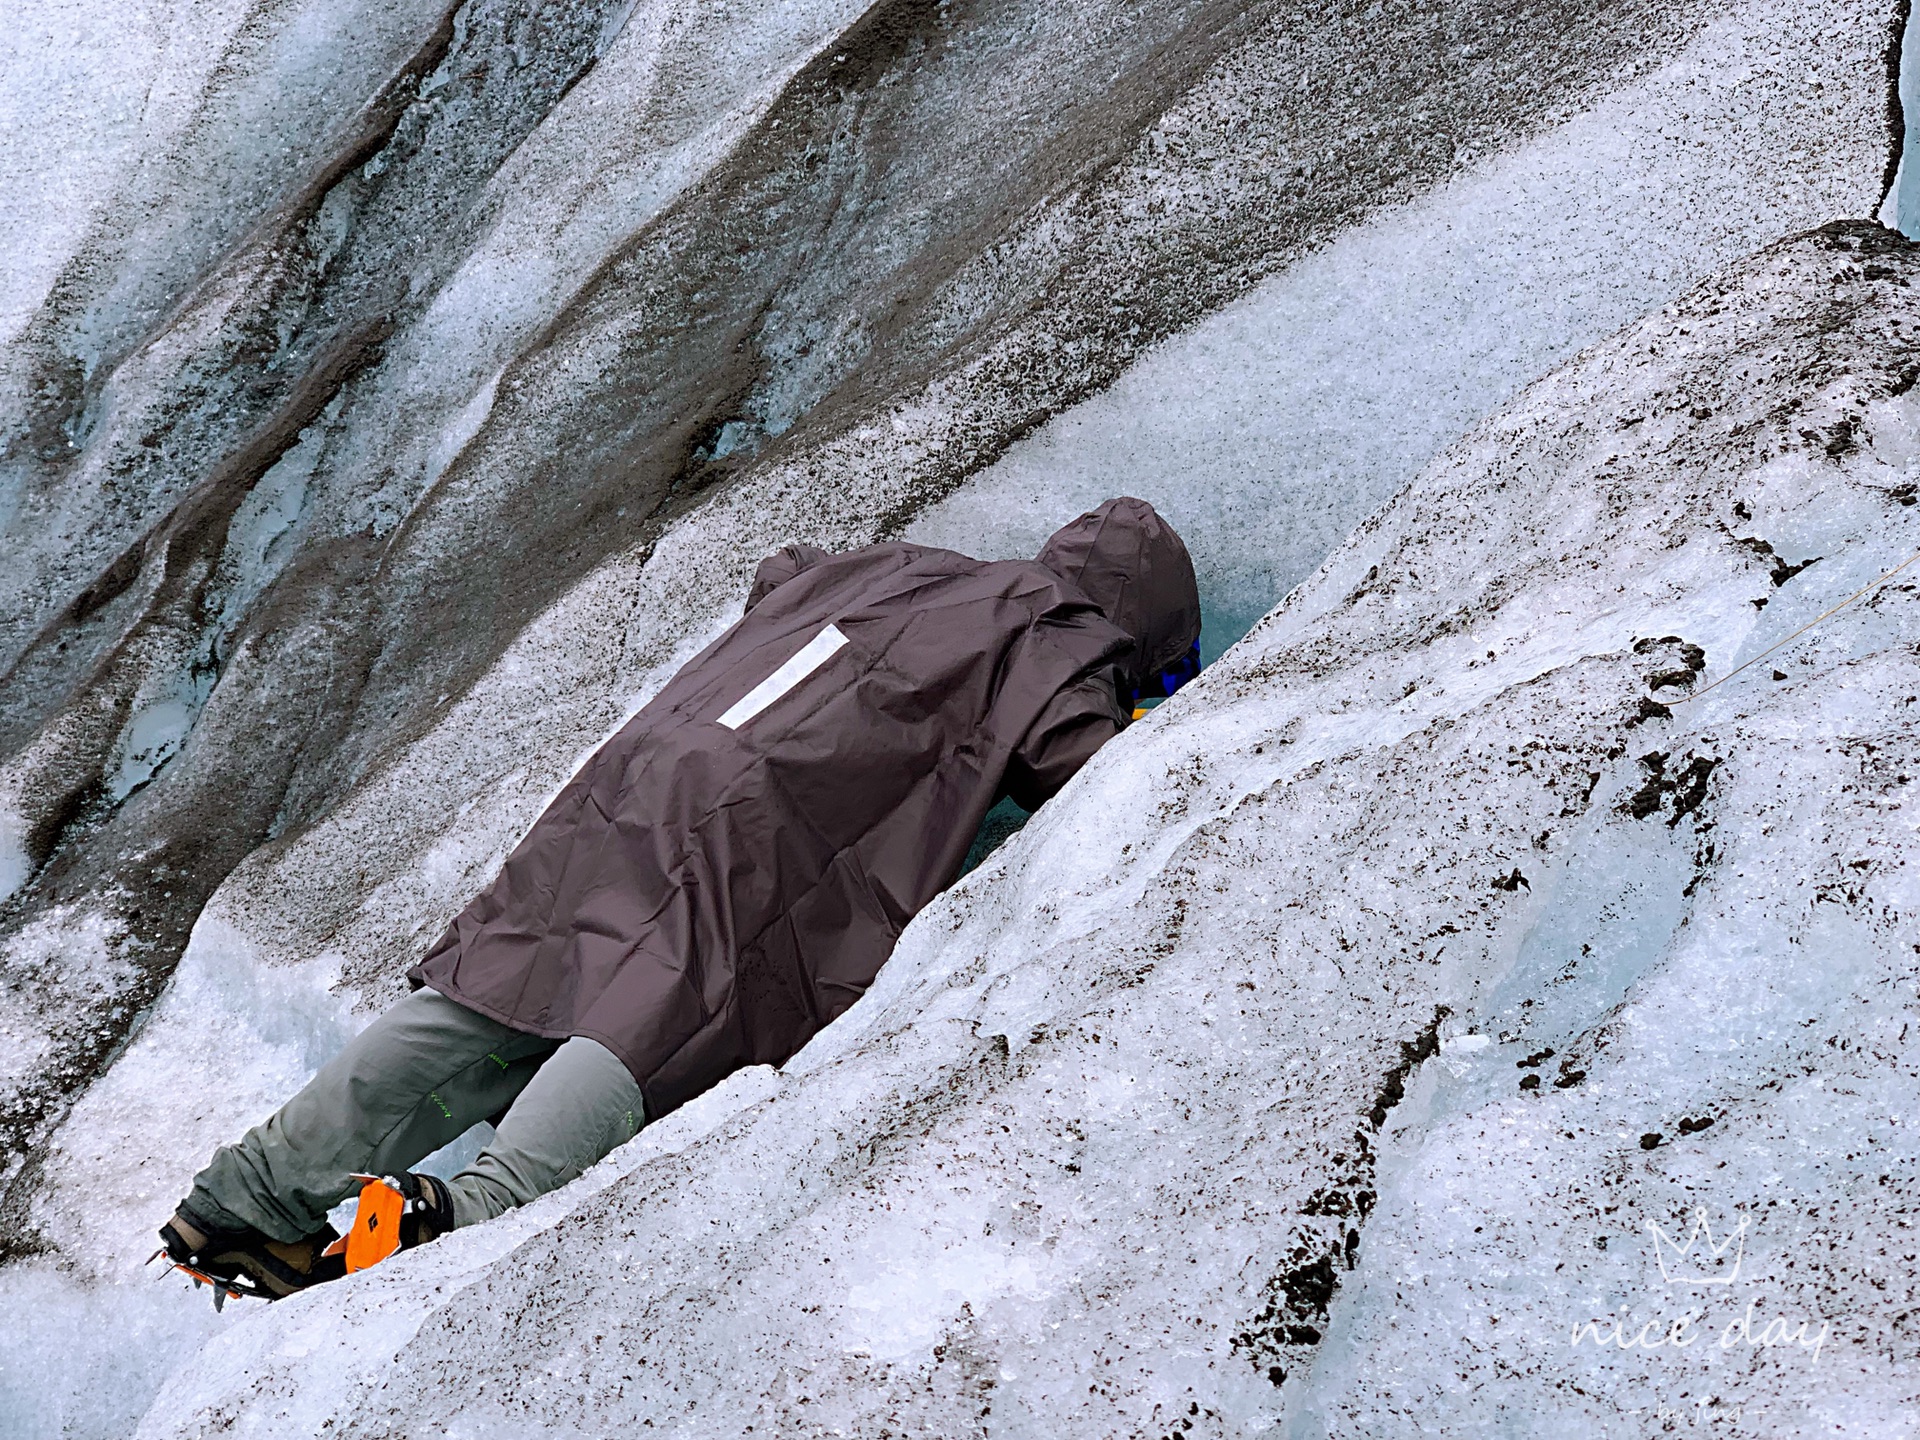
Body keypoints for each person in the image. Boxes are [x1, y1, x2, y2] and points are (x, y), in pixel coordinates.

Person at [157, 497, 1202, 1300]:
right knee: (660, 1016)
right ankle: (460, 1223)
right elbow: (1090, 768)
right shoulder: (1065, 637)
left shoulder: (907, 563)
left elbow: (783, 569)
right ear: (1136, 627)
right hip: (762, 814)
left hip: (653, 763)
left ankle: (243, 1200)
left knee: (516, 977)